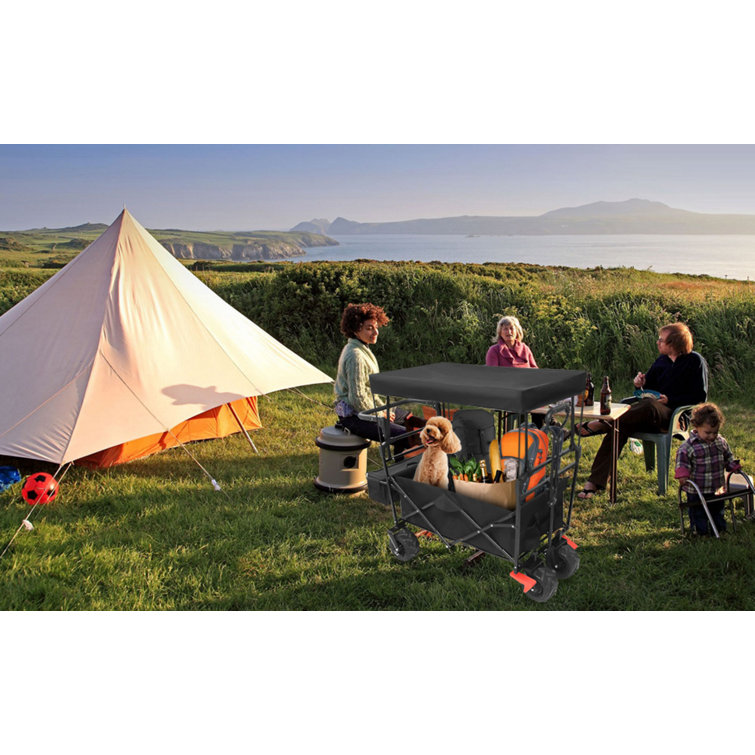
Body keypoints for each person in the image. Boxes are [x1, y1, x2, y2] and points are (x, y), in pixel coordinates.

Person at [577, 322, 708, 500]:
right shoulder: (661, 361)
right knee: (620, 425)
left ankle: (603, 423)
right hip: (648, 414)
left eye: (661, 340)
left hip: (674, 416)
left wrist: (670, 400)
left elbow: (699, 396)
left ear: (674, 343)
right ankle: (594, 482)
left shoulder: (694, 361)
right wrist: (640, 383)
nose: (657, 342)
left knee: (647, 406)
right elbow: (648, 388)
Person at [333, 302, 423, 450]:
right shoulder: (355, 356)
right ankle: (400, 463)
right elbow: (357, 398)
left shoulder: (360, 347)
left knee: (410, 419)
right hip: (354, 417)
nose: (375, 332)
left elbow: (368, 391)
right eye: (369, 328)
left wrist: (385, 409)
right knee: (409, 436)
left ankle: (401, 460)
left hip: (366, 409)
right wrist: (381, 414)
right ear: (355, 329)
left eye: (376, 327)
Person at [674, 403, 741, 535]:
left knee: (718, 510)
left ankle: (720, 529)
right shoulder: (688, 446)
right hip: (697, 489)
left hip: (716, 487)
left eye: (715, 432)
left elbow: (728, 456)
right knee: (698, 512)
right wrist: (683, 475)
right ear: (696, 427)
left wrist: (732, 466)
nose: (711, 436)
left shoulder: (720, 442)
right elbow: (682, 462)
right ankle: (700, 532)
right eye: (708, 432)